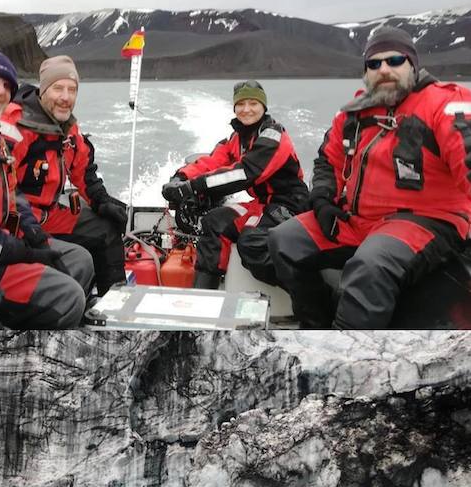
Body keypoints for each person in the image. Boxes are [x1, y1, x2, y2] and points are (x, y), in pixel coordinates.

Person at [268, 26, 471, 327]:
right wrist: (323, 200)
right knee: (283, 241)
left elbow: (464, 150)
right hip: (360, 220)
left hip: (425, 221)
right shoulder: (354, 114)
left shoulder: (444, 105)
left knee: (370, 265)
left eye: (394, 60)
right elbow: (328, 160)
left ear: (413, 65)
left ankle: (347, 359)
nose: (384, 69)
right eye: (374, 64)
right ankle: (315, 328)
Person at [0, 50, 92, 327]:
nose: (0, 91)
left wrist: (32, 234)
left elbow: (11, 195)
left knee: (79, 260)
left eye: (7, 85)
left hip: (3, 243)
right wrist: (24, 251)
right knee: (69, 295)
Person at [3, 55, 130, 297]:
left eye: (72, 90)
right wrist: (31, 231)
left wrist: (101, 201)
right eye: (58, 88)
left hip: (48, 215)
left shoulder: (68, 129)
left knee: (107, 226)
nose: (66, 97)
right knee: (79, 260)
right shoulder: (17, 123)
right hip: (17, 222)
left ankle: (111, 303)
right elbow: (4, 184)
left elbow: (83, 170)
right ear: (43, 90)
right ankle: (69, 306)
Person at [162, 80, 306, 288]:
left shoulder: (273, 136)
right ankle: (204, 297)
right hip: (262, 203)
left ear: (263, 107)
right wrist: (180, 177)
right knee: (213, 222)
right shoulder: (236, 138)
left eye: (253, 103)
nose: (246, 109)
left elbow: (245, 173)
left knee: (252, 242)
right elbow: (212, 161)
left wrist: (192, 187)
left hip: (290, 204)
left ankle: (307, 291)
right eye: (241, 104)